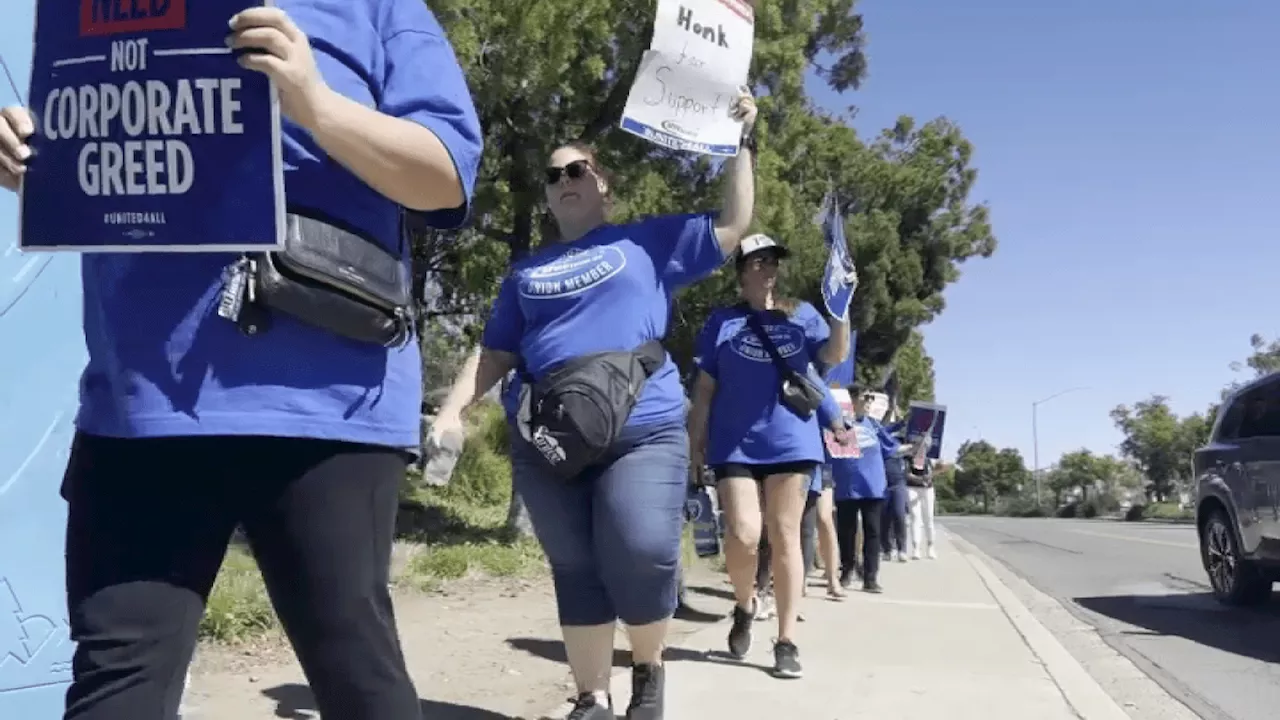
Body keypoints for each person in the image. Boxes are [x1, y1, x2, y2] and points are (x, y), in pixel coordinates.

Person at [0, 4, 482, 720]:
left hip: (327, 412)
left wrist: (318, 107)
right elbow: (98, 162)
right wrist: (37, 162)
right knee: (115, 689)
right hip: (140, 407)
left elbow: (446, 176)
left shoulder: (379, 8)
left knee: (359, 683)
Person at [428, 91, 758, 720]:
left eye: (574, 170)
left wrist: (742, 142)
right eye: (551, 177)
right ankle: (591, 697)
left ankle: (649, 666)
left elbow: (734, 224)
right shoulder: (526, 273)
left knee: (640, 547)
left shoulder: (648, 242)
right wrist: (451, 412)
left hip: (644, 426)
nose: (561, 182)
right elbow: (495, 353)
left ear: (604, 186)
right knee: (575, 564)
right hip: (548, 437)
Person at [688, 234, 852, 679]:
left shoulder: (804, 316)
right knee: (742, 533)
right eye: (756, 262)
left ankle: (786, 640)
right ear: (740, 271)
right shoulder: (721, 322)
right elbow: (704, 391)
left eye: (772, 261)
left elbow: (835, 355)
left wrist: (841, 308)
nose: (766, 268)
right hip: (734, 443)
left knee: (784, 533)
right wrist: (694, 447)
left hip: (792, 442)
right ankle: (744, 605)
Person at [832, 385, 910, 593]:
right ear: (852, 400)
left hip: (873, 487)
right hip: (847, 486)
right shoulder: (838, 423)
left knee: (873, 532)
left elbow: (892, 449)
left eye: (871, 399)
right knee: (846, 533)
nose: (868, 402)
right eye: (865, 397)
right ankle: (847, 570)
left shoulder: (874, 426)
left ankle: (870, 577)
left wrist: (915, 447)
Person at [906, 455, 939, 559]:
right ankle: (916, 548)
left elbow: (936, 470)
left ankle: (931, 547)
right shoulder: (908, 457)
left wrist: (936, 471)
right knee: (915, 518)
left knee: (929, 518)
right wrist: (920, 479)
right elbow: (906, 474)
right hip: (912, 488)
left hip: (927, 489)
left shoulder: (930, 457)